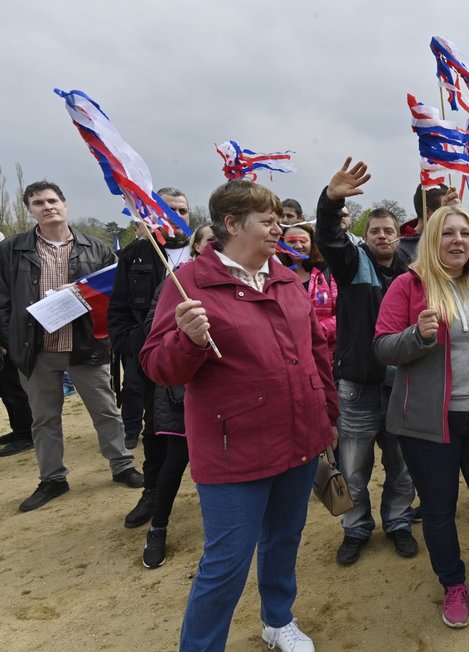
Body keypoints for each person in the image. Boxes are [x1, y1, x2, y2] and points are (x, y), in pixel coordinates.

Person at [141, 179, 338, 652]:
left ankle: (277, 619)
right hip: (234, 447)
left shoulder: (288, 278)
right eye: (268, 222)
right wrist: (185, 339)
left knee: (284, 539)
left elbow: (317, 350)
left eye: (279, 220)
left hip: (300, 435)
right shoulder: (188, 282)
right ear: (231, 224)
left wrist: (327, 411)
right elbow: (157, 365)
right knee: (227, 559)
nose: (279, 230)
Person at [374, 205, 469, 628]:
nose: (457, 240)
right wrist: (417, 336)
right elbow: (383, 347)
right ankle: (453, 585)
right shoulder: (410, 286)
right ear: (432, 239)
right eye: (447, 233)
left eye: (464, 232)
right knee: (440, 511)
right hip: (429, 424)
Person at [0, 181, 142, 513]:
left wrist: (83, 295)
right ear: (30, 210)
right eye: (38, 203)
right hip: (35, 349)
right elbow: (2, 300)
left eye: (52, 200)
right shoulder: (11, 250)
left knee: (106, 411)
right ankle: (53, 479)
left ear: (65, 204)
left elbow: (113, 297)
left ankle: (122, 466)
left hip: (86, 345)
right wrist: (10, 337)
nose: (47, 206)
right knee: (43, 419)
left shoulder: (96, 248)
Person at [314, 158, 418, 565]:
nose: (382, 236)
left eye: (388, 231)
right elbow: (327, 236)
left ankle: (398, 522)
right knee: (353, 468)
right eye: (374, 230)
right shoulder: (351, 264)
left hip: (401, 386)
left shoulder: (412, 274)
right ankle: (355, 528)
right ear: (365, 235)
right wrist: (330, 200)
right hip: (357, 385)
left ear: (398, 236)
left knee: (402, 464)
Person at [109, 187, 194, 528]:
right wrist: (136, 347)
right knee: (157, 432)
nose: (176, 216)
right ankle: (153, 495)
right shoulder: (137, 256)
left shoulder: (206, 255)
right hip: (155, 366)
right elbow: (118, 311)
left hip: (204, 362)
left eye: (182, 210)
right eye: (168, 210)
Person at [141, 224, 215, 569]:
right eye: (210, 241)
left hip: (221, 398)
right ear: (197, 247)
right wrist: (188, 336)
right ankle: (157, 528)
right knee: (175, 463)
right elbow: (151, 339)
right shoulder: (177, 282)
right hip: (179, 394)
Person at [277, 223, 338, 361]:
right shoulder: (274, 275)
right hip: (288, 356)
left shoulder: (326, 273)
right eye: (291, 241)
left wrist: (317, 330)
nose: (298, 245)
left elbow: (342, 314)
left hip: (325, 356)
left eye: (303, 241)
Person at [0, 349, 34, 457]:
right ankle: (19, 430)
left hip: (7, 345)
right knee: (5, 390)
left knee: (14, 388)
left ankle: (27, 434)